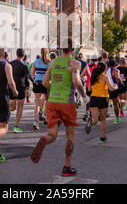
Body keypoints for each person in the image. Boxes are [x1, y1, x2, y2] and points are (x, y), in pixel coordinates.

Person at [30, 40, 88, 177]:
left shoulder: (53, 63)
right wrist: (84, 96)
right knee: (70, 135)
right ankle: (66, 166)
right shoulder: (75, 63)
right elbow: (76, 81)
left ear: (60, 50)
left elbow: (44, 82)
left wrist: (54, 88)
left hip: (52, 102)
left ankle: (44, 139)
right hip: (67, 103)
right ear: (73, 51)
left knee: (52, 135)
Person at [85, 62, 118, 142]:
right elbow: (110, 88)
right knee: (103, 119)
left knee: (95, 119)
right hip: (103, 99)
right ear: (104, 69)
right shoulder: (105, 77)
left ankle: (91, 122)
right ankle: (102, 137)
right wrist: (115, 87)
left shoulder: (93, 77)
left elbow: (89, 89)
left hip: (94, 98)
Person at [9, 48, 31, 133]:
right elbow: (28, 77)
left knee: (12, 106)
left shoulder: (10, 63)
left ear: (16, 54)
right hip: (21, 88)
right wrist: (29, 86)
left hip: (11, 87)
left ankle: (15, 126)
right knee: (19, 108)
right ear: (23, 55)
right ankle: (16, 126)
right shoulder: (24, 65)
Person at [32, 48, 50, 130]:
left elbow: (33, 74)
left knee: (37, 104)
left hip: (37, 83)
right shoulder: (49, 62)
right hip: (46, 83)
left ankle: (35, 122)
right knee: (48, 101)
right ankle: (45, 115)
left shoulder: (35, 62)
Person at [107, 59, 123, 124]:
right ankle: (117, 118)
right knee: (116, 104)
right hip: (114, 87)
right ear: (114, 65)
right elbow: (118, 78)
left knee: (115, 102)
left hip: (108, 88)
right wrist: (122, 83)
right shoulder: (115, 70)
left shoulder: (106, 70)